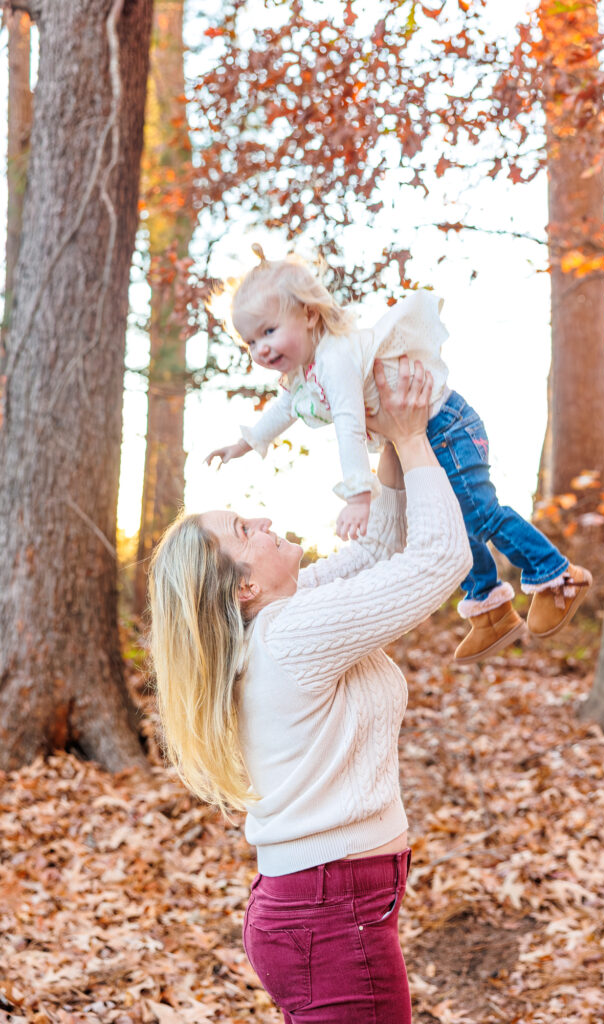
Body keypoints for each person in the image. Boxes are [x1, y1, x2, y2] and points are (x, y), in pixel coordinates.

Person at [150, 358, 473, 1023]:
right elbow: (440, 561)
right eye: (245, 531)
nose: (263, 519)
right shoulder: (289, 633)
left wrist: (389, 435)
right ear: (244, 585)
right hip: (329, 916)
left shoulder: (279, 618)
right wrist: (413, 438)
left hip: (328, 907)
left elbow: (380, 552)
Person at [205, 245, 592, 663]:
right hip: (426, 429)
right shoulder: (305, 374)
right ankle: (489, 608)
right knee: (455, 519)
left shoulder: (335, 359)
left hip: (447, 425)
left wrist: (359, 496)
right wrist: (245, 443)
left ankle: (556, 573)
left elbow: (350, 424)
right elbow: (284, 409)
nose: (260, 349)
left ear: (309, 315)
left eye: (269, 331)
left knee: (479, 514)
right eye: (250, 341)